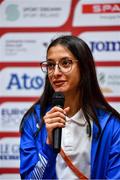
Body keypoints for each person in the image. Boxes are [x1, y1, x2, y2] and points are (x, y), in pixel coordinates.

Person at [19, 35, 120, 179]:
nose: (56, 72)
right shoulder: (33, 121)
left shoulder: (111, 125)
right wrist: (48, 146)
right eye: (50, 65)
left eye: (66, 63)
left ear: (84, 68)